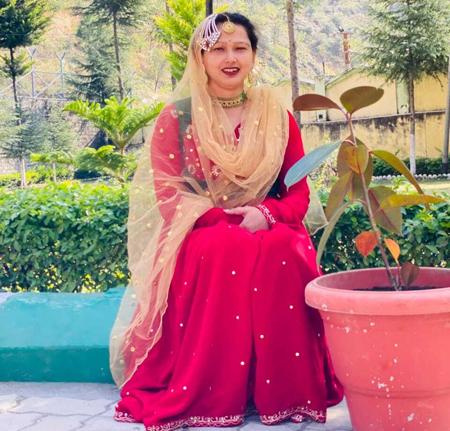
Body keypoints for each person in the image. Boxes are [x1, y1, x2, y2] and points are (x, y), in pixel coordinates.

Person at [110, 12, 343, 431]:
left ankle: (286, 391)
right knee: (224, 246)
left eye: (240, 48)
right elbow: (169, 194)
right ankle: (214, 392)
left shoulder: (276, 115)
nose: (230, 58)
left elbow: (298, 193)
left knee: (284, 248)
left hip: (270, 224)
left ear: (254, 55)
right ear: (200, 57)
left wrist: (266, 214)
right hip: (200, 228)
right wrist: (222, 218)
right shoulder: (178, 118)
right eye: (218, 49)